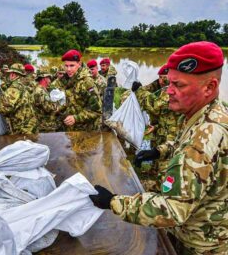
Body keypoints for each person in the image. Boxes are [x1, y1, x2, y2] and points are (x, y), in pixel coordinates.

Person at [89, 41, 228, 254]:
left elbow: (173, 209)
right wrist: (160, 150)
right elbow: (188, 145)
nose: (169, 92)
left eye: (178, 85)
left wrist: (114, 202)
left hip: (200, 244)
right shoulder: (212, 113)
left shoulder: (203, 138)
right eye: (169, 83)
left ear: (209, 87)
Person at [53, 49, 102, 131]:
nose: (68, 69)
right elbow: (71, 100)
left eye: (72, 65)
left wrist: (76, 118)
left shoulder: (87, 82)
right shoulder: (67, 79)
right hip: (72, 129)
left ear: (79, 64)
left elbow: (97, 111)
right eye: (66, 65)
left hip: (86, 130)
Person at [0, 63, 37, 134]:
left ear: (13, 74)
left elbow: (4, 108)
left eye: (10, 74)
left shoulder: (14, 88)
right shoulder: (22, 86)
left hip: (21, 129)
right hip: (28, 126)